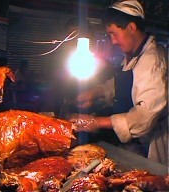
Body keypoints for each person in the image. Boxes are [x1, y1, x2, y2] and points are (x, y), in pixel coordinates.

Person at [68, 0, 168, 165]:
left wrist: (96, 122)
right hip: (133, 145)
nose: (113, 41)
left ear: (132, 27)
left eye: (114, 33)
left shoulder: (153, 61)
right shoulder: (133, 55)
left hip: (152, 145)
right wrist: (96, 92)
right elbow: (119, 86)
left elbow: (144, 118)